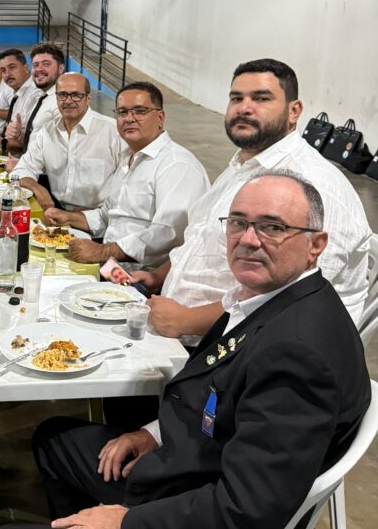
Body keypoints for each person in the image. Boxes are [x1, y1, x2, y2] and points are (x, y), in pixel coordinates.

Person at [0, 172, 372, 529]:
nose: (248, 239)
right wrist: (154, 433)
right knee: (57, 442)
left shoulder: (298, 353)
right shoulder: (276, 300)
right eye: (238, 222)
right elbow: (224, 398)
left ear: (316, 245)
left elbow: (243, 515)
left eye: (273, 227)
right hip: (190, 477)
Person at [132, 59, 371, 337]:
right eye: (236, 98)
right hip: (180, 323)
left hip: (243, 347)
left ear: (294, 111)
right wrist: (158, 276)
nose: (244, 108)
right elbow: (200, 237)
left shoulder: (313, 186)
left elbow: (290, 299)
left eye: (261, 98)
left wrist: (185, 321)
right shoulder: (244, 165)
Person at [44, 82, 209, 268]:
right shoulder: (127, 158)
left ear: (160, 117)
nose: (129, 118)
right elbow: (107, 216)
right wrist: (68, 217)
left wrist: (103, 251)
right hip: (112, 266)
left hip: (147, 275)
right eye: (122, 112)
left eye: (140, 111)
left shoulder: (177, 164)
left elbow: (168, 234)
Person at [11, 73, 121, 211]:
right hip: (58, 210)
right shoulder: (47, 132)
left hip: (100, 216)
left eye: (76, 95)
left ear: (88, 98)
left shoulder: (112, 131)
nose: (68, 100)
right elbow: (22, 169)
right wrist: (38, 189)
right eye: (62, 95)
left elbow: (127, 184)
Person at [5, 43, 65, 158]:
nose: (39, 69)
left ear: (60, 68)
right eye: (36, 65)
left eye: (46, 64)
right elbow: (34, 142)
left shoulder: (62, 101)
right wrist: (19, 135)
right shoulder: (41, 98)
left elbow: (62, 150)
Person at [0, 48, 41, 153]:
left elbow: (34, 143)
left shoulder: (34, 95)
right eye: (3, 70)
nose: (7, 74)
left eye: (12, 67)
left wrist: (1, 142)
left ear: (26, 68)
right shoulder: (17, 92)